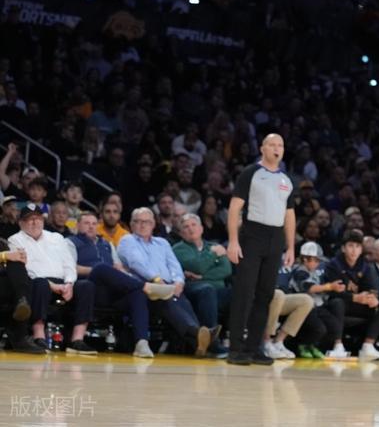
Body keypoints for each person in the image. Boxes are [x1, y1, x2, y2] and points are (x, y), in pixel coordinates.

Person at [226, 133, 297, 366]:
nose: (277, 148)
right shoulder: (251, 173)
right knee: (244, 292)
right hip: (252, 235)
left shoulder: (286, 180)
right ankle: (236, 348)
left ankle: (254, 347)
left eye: (280, 145)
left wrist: (290, 247)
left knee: (265, 295)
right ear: (262, 148)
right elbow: (234, 208)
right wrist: (233, 241)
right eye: (272, 144)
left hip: (275, 239)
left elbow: (289, 215)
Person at [70, 211, 175, 358]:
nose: (91, 227)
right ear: (77, 225)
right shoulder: (70, 242)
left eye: (94, 223)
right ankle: (145, 286)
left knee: (136, 293)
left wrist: (118, 272)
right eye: (86, 223)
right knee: (101, 268)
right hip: (88, 286)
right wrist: (95, 269)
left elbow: (118, 266)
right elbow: (70, 268)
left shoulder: (107, 244)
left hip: (110, 290)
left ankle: (141, 343)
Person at [117, 207, 212, 356]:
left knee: (182, 299)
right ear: (131, 224)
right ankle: (198, 334)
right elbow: (136, 263)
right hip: (145, 288)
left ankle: (198, 341)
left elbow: (174, 265)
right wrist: (157, 280)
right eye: (138, 221)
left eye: (147, 222)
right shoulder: (127, 240)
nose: (142, 225)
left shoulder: (162, 243)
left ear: (153, 224)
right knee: (165, 298)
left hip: (169, 286)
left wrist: (179, 282)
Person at [8, 203, 96, 354]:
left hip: (63, 283)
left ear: (43, 220)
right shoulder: (15, 240)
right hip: (37, 282)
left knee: (86, 286)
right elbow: (26, 270)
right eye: (29, 219)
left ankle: (77, 339)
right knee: (40, 283)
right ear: (21, 223)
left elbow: (69, 263)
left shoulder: (56, 237)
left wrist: (69, 283)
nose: (34, 222)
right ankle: (39, 336)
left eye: (38, 218)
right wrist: (52, 286)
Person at [322, 231, 379, 362]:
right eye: (350, 246)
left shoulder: (365, 266)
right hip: (337, 303)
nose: (354, 250)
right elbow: (333, 291)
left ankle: (368, 346)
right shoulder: (334, 264)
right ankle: (338, 346)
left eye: (357, 246)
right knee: (338, 302)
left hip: (358, 303)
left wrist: (372, 298)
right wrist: (354, 297)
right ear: (343, 248)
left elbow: (372, 287)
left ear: (361, 250)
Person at [173, 213, 233, 342]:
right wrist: (212, 254)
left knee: (240, 292)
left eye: (193, 225)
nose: (191, 228)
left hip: (218, 291)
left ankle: (236, 338)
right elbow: (198, 266)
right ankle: (210, 341)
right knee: (207, 289)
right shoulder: (178, 249)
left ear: (201, 228)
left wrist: (202, 277)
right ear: (181, 233)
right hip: (193, 291)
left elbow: (226, 269)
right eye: (186, 227)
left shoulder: (213, 245)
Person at [286, 241, 348, 359]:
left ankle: (313, 345)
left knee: (335, 326)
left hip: (317, 306)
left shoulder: (314, 273)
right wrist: (329, 286)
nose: (318, 263)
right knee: (319, 328)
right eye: (316, 260)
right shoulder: (300, 272)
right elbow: (309, 288)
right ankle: (303, 345)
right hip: (304, 308)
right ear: (305, 259)